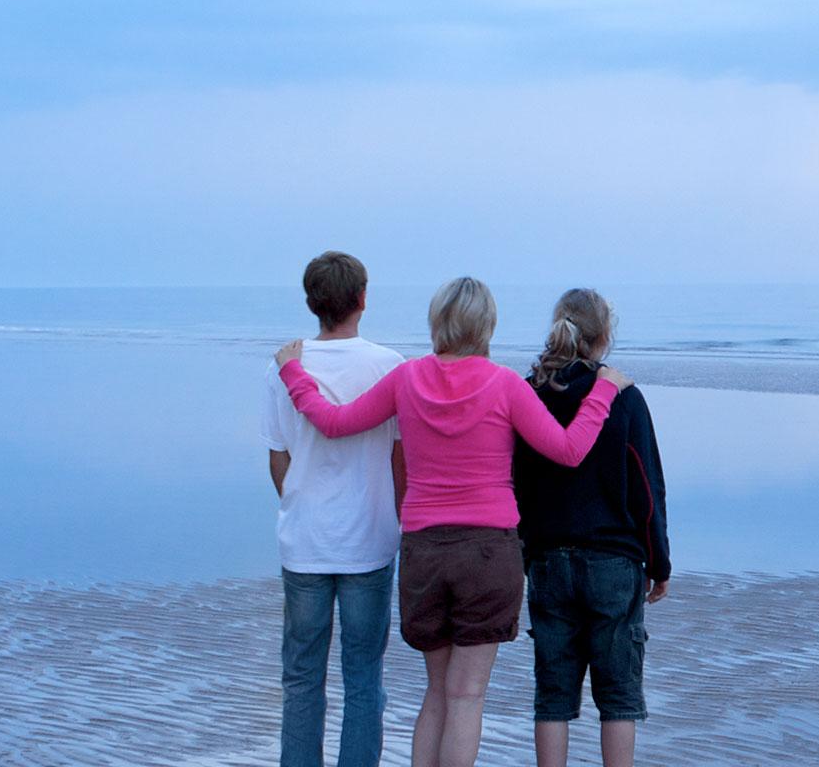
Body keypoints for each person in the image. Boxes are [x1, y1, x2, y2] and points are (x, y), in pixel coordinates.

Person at [273, 276, 632, 767]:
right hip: (487, 554)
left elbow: (335, 423)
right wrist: (604, 392)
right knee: (466, 698)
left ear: (437, 321)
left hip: (424, 551)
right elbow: (568, 451)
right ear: (487, 325)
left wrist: (294, 372)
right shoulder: (504, 384)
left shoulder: (407, 378)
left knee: (437, 693)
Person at [259, 251, 407, 767]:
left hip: (304, 541)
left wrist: (303, 501)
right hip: (369, 539)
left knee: (301, 677)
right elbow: (399, 458)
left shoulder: (285, 367)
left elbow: (279, 457)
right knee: (364, 676)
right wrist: (396, 517)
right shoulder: (390, 365)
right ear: (363, 299)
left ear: (311, 303)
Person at [512, 289, 670, 767]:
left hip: (547, 557)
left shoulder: (529, 392)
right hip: (613, 559)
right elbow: (647, 487)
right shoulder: (623, 397)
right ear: (604, 336)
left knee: (553, 696)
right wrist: (659, 562)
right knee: (619, 696)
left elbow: (515, 482)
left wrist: (523, 553)